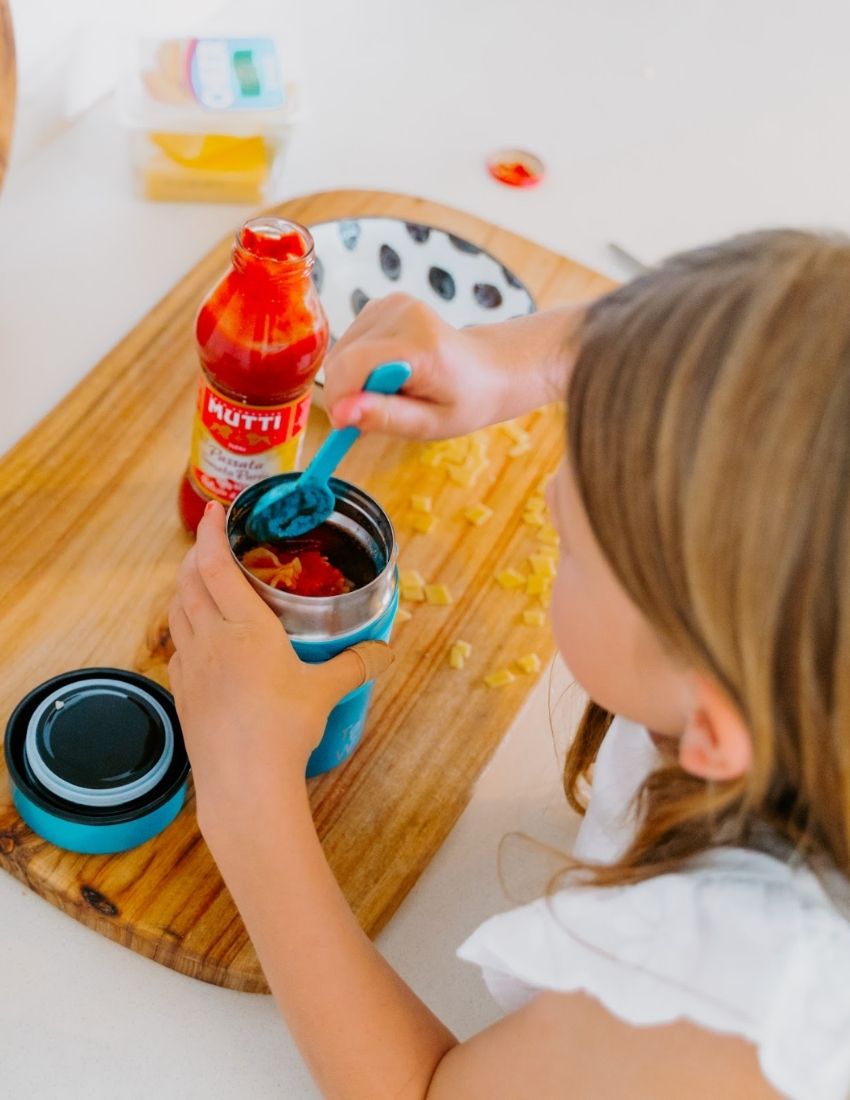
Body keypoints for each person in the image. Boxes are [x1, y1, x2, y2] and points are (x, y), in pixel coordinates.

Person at [167, 229, 850, 1100]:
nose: (559, 484)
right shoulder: (794, 648)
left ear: (717, 728)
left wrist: (250, 798)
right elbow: (778, 352)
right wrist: (502, 363)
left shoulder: (731, 999)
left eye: (573, 544)